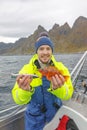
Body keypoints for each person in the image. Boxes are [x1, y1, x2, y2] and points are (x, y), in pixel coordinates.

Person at [12, 32, 74, 130]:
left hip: (55, 117)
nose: (45, 52)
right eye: (41, 49)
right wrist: (24, 90)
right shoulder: (26, 70)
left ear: (52, 51)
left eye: (48, 48)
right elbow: (18, 100)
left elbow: (67, 95)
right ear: (36, 51)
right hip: (34, 121)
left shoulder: (61, 68)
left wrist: (58, 88)